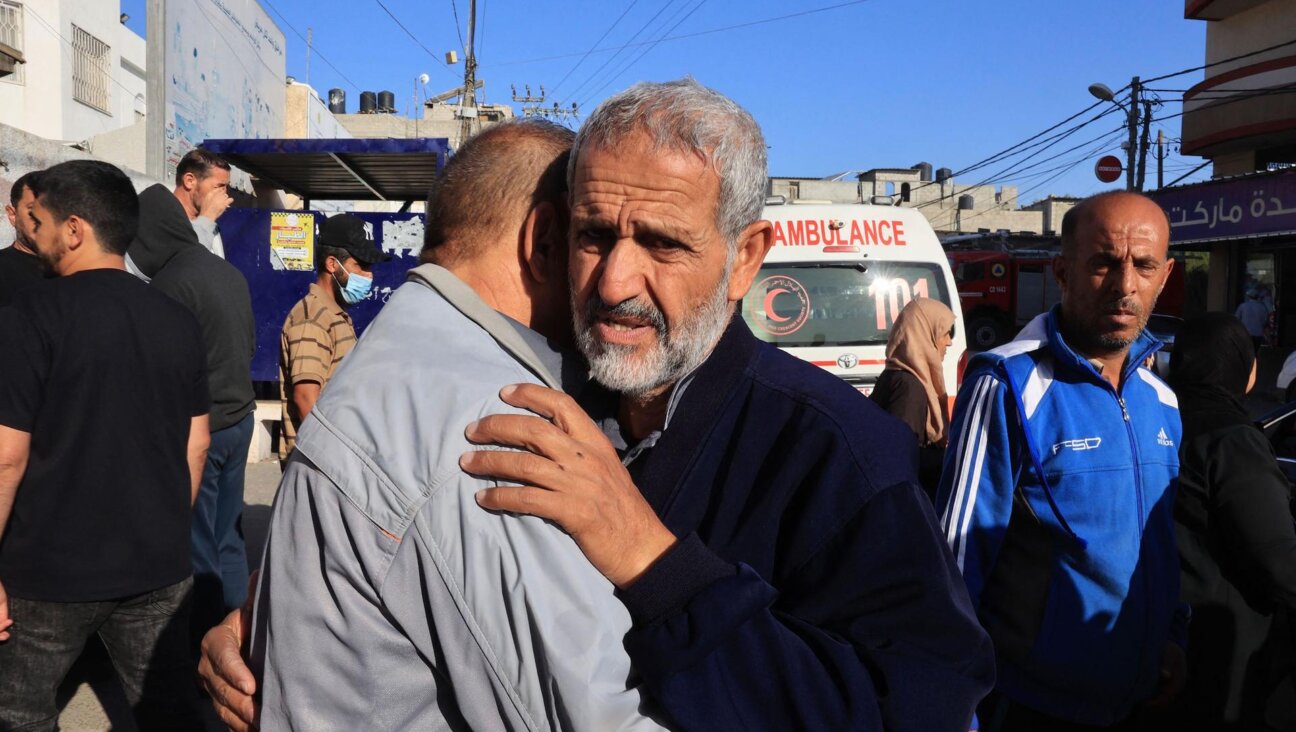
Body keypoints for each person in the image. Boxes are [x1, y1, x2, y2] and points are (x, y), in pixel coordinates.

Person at [201, 82, 995, 732]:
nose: (615, 282)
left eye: (663, 244)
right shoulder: (539, 401)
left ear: (745, 257)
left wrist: (656, 563)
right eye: (594, 235)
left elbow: (921, 706)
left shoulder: (840, 454)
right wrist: (286, 624)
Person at [937, 190, 1186, 730]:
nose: (1125, 287)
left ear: (1164, 276)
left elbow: (1162, 541)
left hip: (1139, 696)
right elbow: (956, 563)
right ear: (1062, 272)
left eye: (1144, 266)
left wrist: (1171, 636)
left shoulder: (1161, 398)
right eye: (1103, 263)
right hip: (1033, 704)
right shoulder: (1006, 384)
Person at [0, 160, 210, 730]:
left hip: (47, 571)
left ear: (74, 230)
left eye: (38, 220)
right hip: (157, 568)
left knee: (18, 712)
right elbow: (196, 445)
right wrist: (166, 529)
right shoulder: (176, 319)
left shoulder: (27, 317)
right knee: (171, 712)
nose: (31, 232)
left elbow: (6, 456)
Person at [128, 183, 257, 645]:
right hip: (239, 420)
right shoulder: (226, 273)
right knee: (229, 537)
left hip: (200, 429)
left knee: (198, 542)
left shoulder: (169, 283)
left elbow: (160, 368)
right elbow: (248, 343)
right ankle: (241, 632)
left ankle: (206, 642)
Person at [1162, 312, 1296, 730]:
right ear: (1241, 365)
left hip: (1163, 637)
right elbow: (1278, 562)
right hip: (1221, 655)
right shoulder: (1233, 440)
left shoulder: (1159, 420)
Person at [277, 213, 390, 464]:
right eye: (361, 265)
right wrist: (334, 460)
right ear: (332, 264)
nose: (369, 275)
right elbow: (306, 396)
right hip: (319, 465)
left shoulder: (334, 314)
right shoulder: (312, 319)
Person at [869, 296, 957, 499]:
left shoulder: (900, 376)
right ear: (923, 335)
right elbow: (900, 456)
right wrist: (948, 460)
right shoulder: (909, 386)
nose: (949, 342)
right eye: (945, 333)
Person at [0, 170, 50, 307]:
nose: (47, 219)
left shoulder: (83, 270)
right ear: (13, 215)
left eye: (56, 210)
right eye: (33, 210)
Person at [173, 148, 233, 257]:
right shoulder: (164, 219)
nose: (224, 194)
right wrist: (208, 217)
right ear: (189, 181)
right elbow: (185, 265)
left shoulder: (209, 223)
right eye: (219, 186)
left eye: (226, 187)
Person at [1235, 287, 1270, 353]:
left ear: (1248, 296)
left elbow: (1236, 319)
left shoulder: (1242, 306)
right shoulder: (1262, 307)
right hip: (1258, 334)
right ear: (1257, 297)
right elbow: (1265, 323)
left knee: (1245, 352)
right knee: (1255, 353)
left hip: (1245, 333)